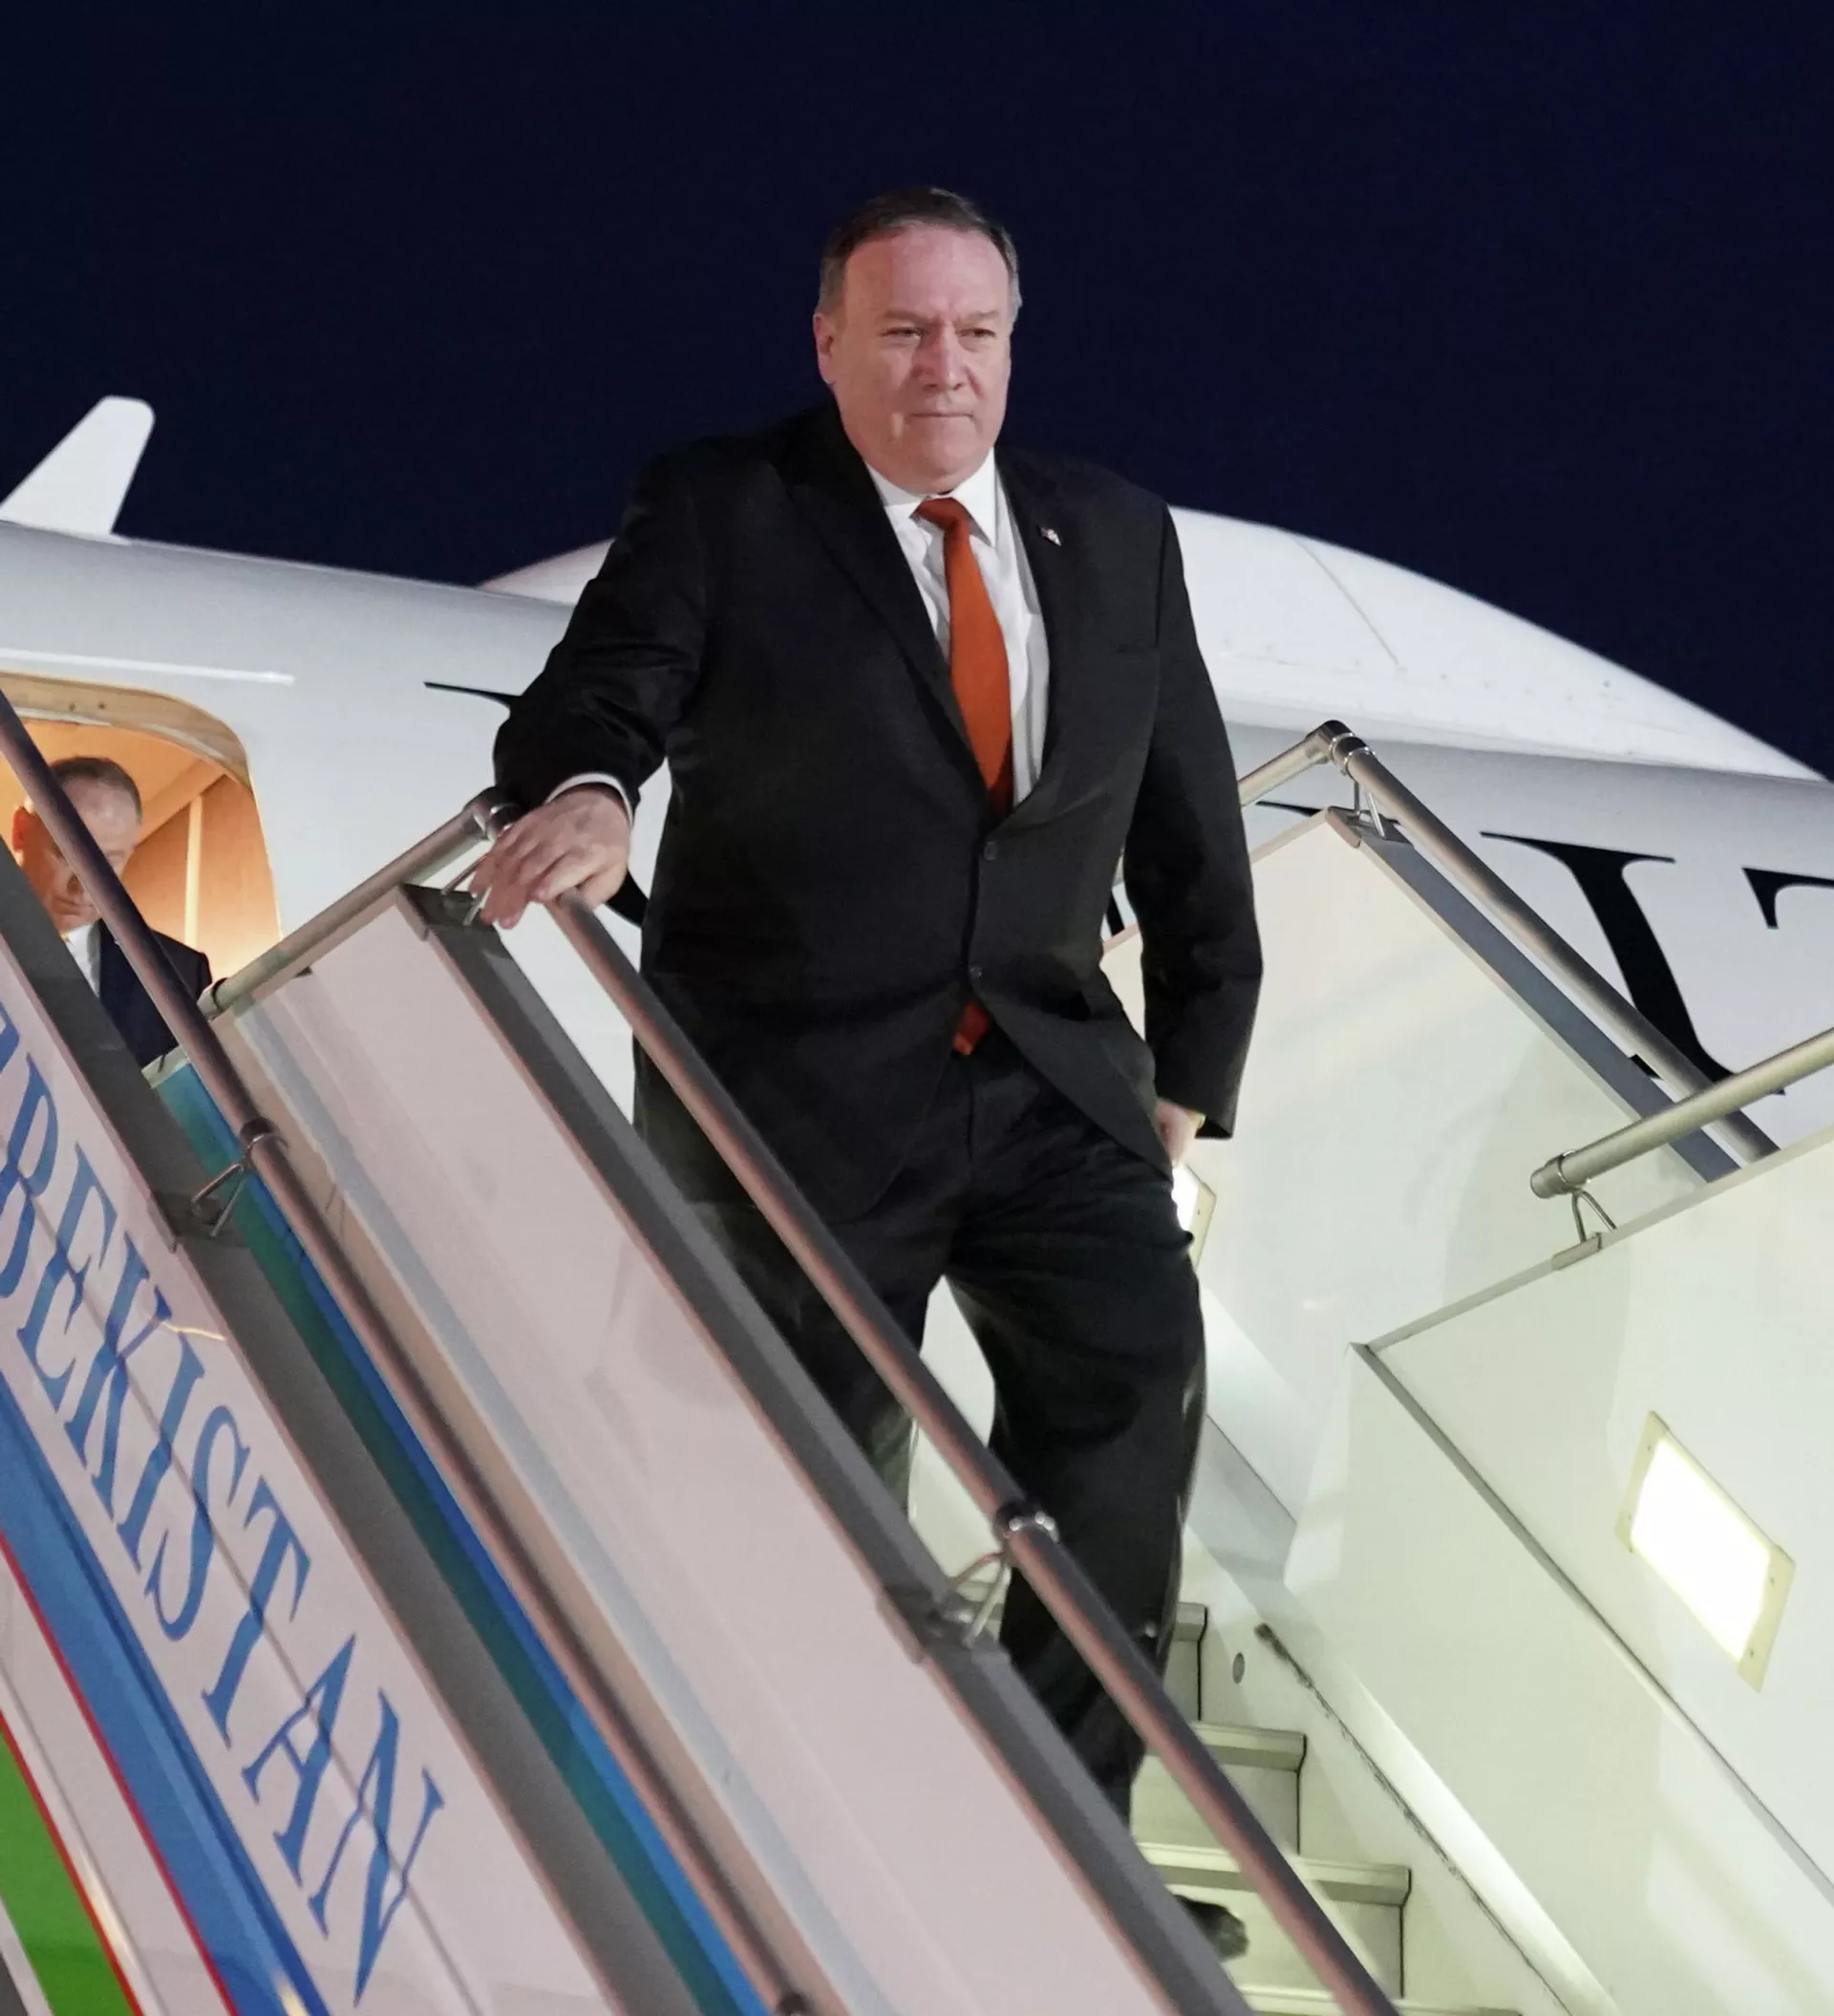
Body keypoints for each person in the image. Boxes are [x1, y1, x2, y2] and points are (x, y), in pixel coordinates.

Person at [475, 188, 1261, 1957]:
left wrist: (1194, 1064)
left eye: (976, 333)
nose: (943, 367)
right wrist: (591, 792)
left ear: (1012, 344)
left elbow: (1187, 815)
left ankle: (1063, 1839)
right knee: (818, 1469)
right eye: (903, 332)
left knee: (1132, 1399)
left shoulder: (1110, 532)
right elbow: (597, 690)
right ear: (829, 343)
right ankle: (818, 1831)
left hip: (1054, 1078)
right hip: (797, 1090)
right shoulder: (730, 506)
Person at [12, 755, 212, 1067]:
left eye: (108, 862)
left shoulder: (179, 972)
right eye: (66, 854)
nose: (83, 887)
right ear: (21, 831)